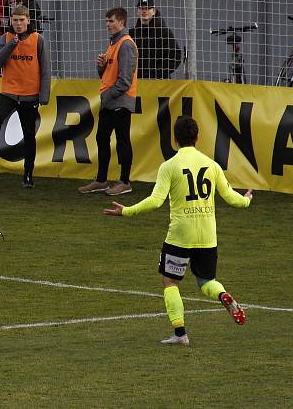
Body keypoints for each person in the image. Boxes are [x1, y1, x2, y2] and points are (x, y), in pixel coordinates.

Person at [103, 116, 252, 346]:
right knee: (206, 281)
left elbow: (155, 201)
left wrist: (126, 211)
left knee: (170, 282)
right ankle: (221, 294)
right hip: (207, 235)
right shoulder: (211, 165)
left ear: (174, 138)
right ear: (198, 137)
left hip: (180, 235)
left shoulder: (170, 166)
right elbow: (230, 197)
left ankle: (180, 334)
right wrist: (246, 201)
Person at [0, 4, 50, 188]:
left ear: (28, 20)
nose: (18, 24)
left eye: (22, 20)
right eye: (15, 20)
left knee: (29, 136)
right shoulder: (6, 38)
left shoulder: (38, 40)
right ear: (11, 21)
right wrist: (12, 44)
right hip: (9, 93)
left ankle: (28, 174)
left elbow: (45, 70)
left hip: (30, 95)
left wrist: (44, 95)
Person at [78, 7, 138, 196]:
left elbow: (125, 80)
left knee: (122, 141)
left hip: (120, 101)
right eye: (107, 21)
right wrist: (101, 67)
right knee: (101, 139)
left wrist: (107, 95)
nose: (108, 25)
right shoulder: (113, 44)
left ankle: (125, 181)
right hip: (111, 100)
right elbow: (107, 76)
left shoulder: (126, 44)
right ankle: (102, 180)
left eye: (111, 21)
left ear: (121, 22)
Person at [129, 0, 181, 79]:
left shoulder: (164, 32)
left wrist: (159, 73)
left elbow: (175, 56)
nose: (144, 11)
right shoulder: (132, 33)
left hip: (159, 83)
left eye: (148, 8)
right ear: (137, 12)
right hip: (137, 82)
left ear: (154, 11)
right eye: (141, 8)